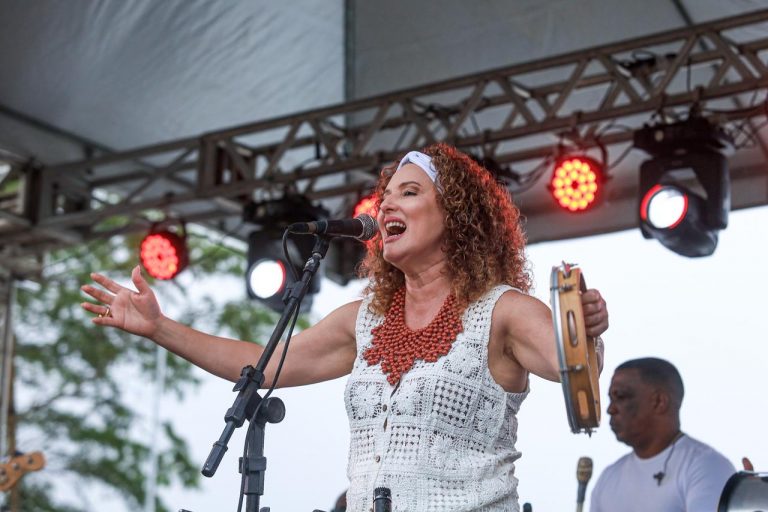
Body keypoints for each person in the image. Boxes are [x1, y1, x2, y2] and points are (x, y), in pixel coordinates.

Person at [81, 143, 609, 512]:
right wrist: (159, 327)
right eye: (386, 196)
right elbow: (261, 366)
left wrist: (586, 326)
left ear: (456, 215)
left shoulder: (502, 311)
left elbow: (572, 365)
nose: (387, 205)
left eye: (409, 193)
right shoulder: (365, 321)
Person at [590, 358, 735, 512]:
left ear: (659, 402)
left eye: (620, 397)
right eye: (610, 399)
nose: (610, 409)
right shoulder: (608, 479)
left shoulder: (707, 466)